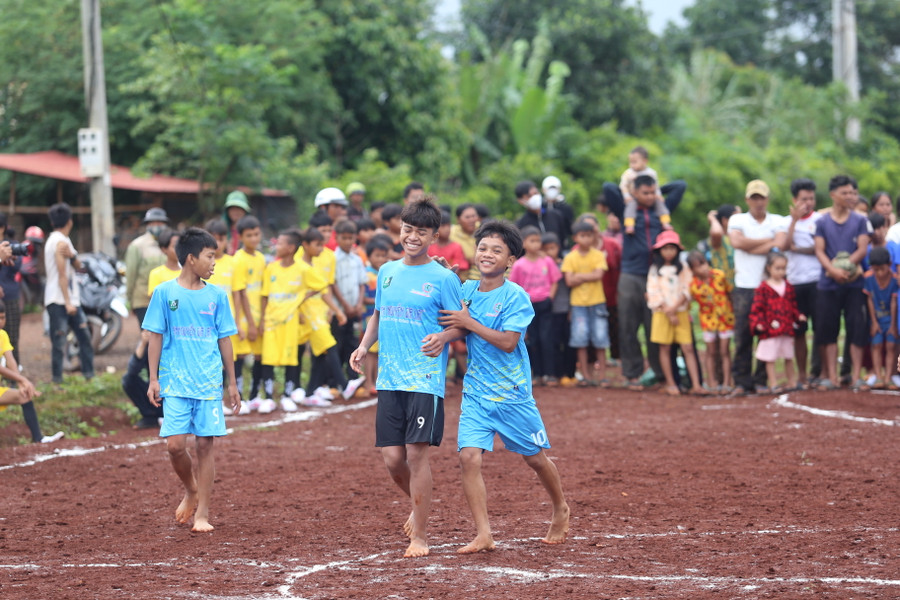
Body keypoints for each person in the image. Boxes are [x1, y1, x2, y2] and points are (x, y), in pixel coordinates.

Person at [427, 220, 569, 553]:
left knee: (535, 459)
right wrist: (443, 334)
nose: (487, 254)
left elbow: (507, 342)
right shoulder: (467, 291)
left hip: (512, 395)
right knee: (468, 458)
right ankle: (483, 533)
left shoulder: (516, 296)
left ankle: (560, 506)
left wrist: (466, 323)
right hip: (476, 392)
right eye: (482, 247)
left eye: (496, 250)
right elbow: (459, 324)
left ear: (509, 261)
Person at [349, 197, 464, 558]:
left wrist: (444, 337)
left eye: (421, 231)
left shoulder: (444, 278)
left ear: (434, 235)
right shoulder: (387, 271)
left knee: (416, 455)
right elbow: (378, 315)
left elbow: (462, 324)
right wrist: (365, 345)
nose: (413, 236)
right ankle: (419, 506)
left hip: (425, 378)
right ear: (400, 229)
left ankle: (421, 536)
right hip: (390, 378)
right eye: (408, 229)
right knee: (392, 459)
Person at [144, 227, 240, 533]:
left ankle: (203, 514)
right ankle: (191, 488)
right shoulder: (164, 293)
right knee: (174, 446)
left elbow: (225, 340)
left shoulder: (217, 296)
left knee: (204, 447)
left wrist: (232, 383)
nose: (214, 263)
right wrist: (153, 379)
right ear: (190, 258)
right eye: (210, 256)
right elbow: (155, 337)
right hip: (174, 382)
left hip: (209, 383)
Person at [602, 174, 687, 390]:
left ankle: (659, 374)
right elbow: (608, 187)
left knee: (655, 327)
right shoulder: (626, 210)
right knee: (628, 326)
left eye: (652, 192)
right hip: (630, 274)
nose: (649, 197)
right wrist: (628, 194)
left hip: (656, 275)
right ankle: (632, 374)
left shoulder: (661, 208)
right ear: (636, 192)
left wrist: (660, 192)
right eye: (645, 193)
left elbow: (680, 185)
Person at [727, 180, 787, 395]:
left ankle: (761, 379)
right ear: (747, 200)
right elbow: (736, 243)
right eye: (754, 197)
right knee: (743, 335)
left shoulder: (777, 220)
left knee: (768, 334)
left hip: (769, 287)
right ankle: (742, 382)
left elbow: (779, 243)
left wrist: (750, 244)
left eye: (761, 197)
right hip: (744, 286)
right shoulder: (737, 219)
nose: (758, 202)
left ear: (767, 199)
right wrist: (768, 242)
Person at [814, 175, 870, 391]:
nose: (850, 196)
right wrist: (833, 271)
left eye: (852, 192)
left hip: (854, 284)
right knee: (828, 329)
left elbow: (863, 248)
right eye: (845, 192)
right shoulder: (822, 222)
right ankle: (831, 377)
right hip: (828, 284)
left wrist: (845, 267)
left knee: (856, 328)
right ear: (833, 195)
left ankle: (856, 376)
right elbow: (819, 250)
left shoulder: (860, 221)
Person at [259, 229, 326, 410]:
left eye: (279, 243)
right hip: (272, 322)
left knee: (290, 359)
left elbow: (321, 284)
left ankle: (287, 396)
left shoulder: (302, 269)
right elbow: (264, 296)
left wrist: (303, 297)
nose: (276, 246)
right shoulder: (271, 268)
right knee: (269, 359)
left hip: (290, 321)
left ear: (290, 248)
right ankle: (268, 397)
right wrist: (262, 321)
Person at [297, 228, 365, 405]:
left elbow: (322, 291)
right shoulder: (302, 266)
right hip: (308, 314)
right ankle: (344, 385)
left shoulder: (310, 265)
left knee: (320, 352)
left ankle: (310, 392)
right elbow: (322, 292)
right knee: (330, 345)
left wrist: (333, 310)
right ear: (305, 245)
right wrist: (338, 310)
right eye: (318, 245)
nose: (321, 248)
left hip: (317, 312)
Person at [647, 231, 704, 396]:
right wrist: (668, 311)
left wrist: (673, 309)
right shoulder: (655, 270)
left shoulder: (684, 268)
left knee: (688, 347)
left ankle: (696, 384)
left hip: (680, 313)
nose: (669, 252)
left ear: (677, 250)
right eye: (665, 248)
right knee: (664, 348)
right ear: (659, 251)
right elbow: (653, 292)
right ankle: (671, 383)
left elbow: (687, 289)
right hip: (661, 314)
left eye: (672, 248)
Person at [0, 299, 64, 443]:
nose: (1, 321)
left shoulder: (2, 335)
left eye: (3, 317)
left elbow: (11, 361)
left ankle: (38, 438)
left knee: (24, 396)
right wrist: (22, 380)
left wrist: (22, 384)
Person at [44, 202, 94, 384]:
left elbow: (78, 265)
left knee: (83, 336)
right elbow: (62, 274)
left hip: (70, 299)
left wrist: (72, 256)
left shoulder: (63, 240)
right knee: (60, 341)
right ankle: (57, 381)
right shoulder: (59, 242)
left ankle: (89, 375)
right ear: (70, 221)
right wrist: (68, 302)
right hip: (60, 299)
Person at [509, 225, 561, 386]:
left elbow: (555, 281)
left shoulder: (547, 261)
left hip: (545, 304)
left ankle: (550, 373)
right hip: (528, 306)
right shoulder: (519, 264)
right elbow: (514, 286)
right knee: (533, 339)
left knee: (547, 338)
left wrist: (550, 297)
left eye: (538, 240)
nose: (536, 244)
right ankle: (536, 374)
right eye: (532, 241)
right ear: (524, 243)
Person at [782, 178, 821, 387]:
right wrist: (794, 221)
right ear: (794, 200)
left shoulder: (821, 219)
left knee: (820, 330)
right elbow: (785, 246)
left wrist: (799, 249)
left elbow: (820, 248)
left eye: (812, 198)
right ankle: (803, 376)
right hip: (795, 282)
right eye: (804, 199)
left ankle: (819, 373)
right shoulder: (785, 222)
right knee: (799, 332)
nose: (808, 203)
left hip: (817, 281)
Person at [560, 221, 609, 387]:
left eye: (589, 236)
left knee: (601, 339)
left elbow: (599, 275)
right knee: (580, 340)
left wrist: (578, 277)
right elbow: (569, 281)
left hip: (597, 302)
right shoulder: (570, 257)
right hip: (578, 304)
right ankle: (587, 376)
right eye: (582, 236)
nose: (586, 239)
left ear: (594, 236)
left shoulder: (598, 254)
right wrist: (589, 275)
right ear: (575, 238)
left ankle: (602, 376)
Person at [749, 252, 803, 391]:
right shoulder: (763, 288)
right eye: (777, 268)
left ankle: (792, 382)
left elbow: (793, 306)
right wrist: (758, 323)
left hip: (786, 328)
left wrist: (798, 316)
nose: (781, 272)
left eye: (783, 268)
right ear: (769, 268)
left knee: (788, 356)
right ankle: (773, 383)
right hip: (770, 331)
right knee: (770, 358)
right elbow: (757, 308)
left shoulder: (788, 286)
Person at [205, 220, 240, 415]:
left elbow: (236, 293)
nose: (218, 243)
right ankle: (210, 399)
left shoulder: (232, 263)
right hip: (205, 323)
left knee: (225, 362)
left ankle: (219, 399)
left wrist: (239, 319)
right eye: (214, 239)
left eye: (221, 238)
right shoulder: (203, 265)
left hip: (225, 323)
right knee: (210, 362)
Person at [231, 215, 266, 412]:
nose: (253, 239)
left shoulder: (261, 258)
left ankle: (254, 395)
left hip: (259, 317)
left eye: (256, 234)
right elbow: (240, 293)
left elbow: (263, 291)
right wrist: (249, 324)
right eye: (249, 235)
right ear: (241, 236)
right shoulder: (238, 260)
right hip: (245, 319)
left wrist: (261, 320)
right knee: (241, 357)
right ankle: (240, 398)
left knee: (260, 356)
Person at [687, 251, 734, 393]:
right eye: (698, 266)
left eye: (704, 264)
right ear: (692, 270)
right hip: (708, 322)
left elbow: (729, 293)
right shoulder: (694, 285)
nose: (703, 268)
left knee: (725, 351)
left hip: (725, 319)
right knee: (710, 352)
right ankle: (712, 382)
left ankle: (727, 382)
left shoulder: (720, 276)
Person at [332, 220, 368, 382]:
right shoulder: (333, 259)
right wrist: (345, 305)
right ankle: (336, 381)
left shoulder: (357, 259)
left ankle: (353, 378)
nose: (348, 241)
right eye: (344, 238)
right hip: (339, 310)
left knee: (352, 343)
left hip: (354, 309)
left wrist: (359, 304)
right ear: (337, 238)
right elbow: (332, 284)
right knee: (337, 344)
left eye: (350, 238)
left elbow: (361, 284)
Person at [124, 207, 168, 325]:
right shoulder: (137, 246)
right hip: (144, 301)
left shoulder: (171, 245)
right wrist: (129, 299)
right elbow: (131, 274)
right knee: (149, 338)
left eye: (160, 222)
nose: (157, 225)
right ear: (147, 225)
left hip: (167, 301)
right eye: (153, 222)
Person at [863, 246, 898, 388]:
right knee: (876, 344)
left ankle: (888, 377)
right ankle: (878, 376)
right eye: (875, 269)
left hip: (890, 320)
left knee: (891, 345)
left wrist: (893, 325)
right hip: (876, 319)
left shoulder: (895, 280)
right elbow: (869, 299)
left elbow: (894, 303)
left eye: (882, 269)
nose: (879, 273)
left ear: (889, 265)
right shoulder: (869, 278)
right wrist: (874, 322)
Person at [619, 146, 672, 235]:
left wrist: (658, 195)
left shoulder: (651, 173)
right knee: (631, 207)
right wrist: (627, 197)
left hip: (651, 198)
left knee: (660, 204)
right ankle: (629, 224)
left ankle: (665, 222)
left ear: (645, 161)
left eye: (635, 162)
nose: (632, 165)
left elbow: (656, 186)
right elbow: (623, 186)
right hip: (633, 197)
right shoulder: (628, 173)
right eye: (631, 162)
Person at [361, 238, 390, 396]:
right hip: (369, 316)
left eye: (383, 256)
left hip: (384, 318)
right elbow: (364, 298)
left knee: (378, 351)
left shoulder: (386, 273)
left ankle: (377, 381)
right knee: (370, 352)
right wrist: (382, 301)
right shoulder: (367, 275)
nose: (380, 259)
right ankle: (368, 383)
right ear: (369, 256)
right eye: (377, 255)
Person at [0, 213, 24, 361]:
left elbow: (18, 266)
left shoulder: (10, 245)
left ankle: (14, 373)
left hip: (8, 295)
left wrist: (9, 257)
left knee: (12, 336)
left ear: (2, 228)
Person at [515, 180, 566, 247]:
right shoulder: (521, 225)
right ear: (520, 201)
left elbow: (563, 239)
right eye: (529, 196)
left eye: (536, 193)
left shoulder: (556, 215)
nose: (534, 197)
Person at [542, 175, 574, 248]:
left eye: (554, 188)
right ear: (543, 189)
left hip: (562, 245)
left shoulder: (566, 207)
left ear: (559, 189)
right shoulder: (540, 206)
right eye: (549, 188)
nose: (552, 191)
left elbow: (570, 228)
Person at [147, 229, 181, 297]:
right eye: (175, 246)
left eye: (181, 246)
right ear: (164, 249)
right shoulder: (156, 274)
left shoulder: (189, 273)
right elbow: (156, 298)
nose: (179, 249)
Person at [450, 203, 480, 281]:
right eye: (467, 217)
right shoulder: (452, 234)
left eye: (474, 216)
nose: (472, 220)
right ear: (458, 220)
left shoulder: (482, 230)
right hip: (460, 278)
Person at [223, 190, 251, 255]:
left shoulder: (252, 230)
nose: (235, 211)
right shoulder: (222, 230)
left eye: (239, 208)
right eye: (232, 208)